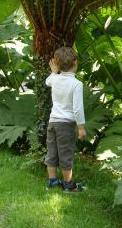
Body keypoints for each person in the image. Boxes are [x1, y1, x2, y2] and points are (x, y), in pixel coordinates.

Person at [44, 46, 86, 192]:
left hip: (52, 122)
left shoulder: (54, 79)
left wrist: (54, 71)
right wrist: (80, 127)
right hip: (66, 125)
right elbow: (77, 108)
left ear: (57, 64)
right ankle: (68, 185)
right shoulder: (76, 84)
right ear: (75, 62)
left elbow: (47, 81)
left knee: (52, 152)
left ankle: (53, 181)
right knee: (66, 154)